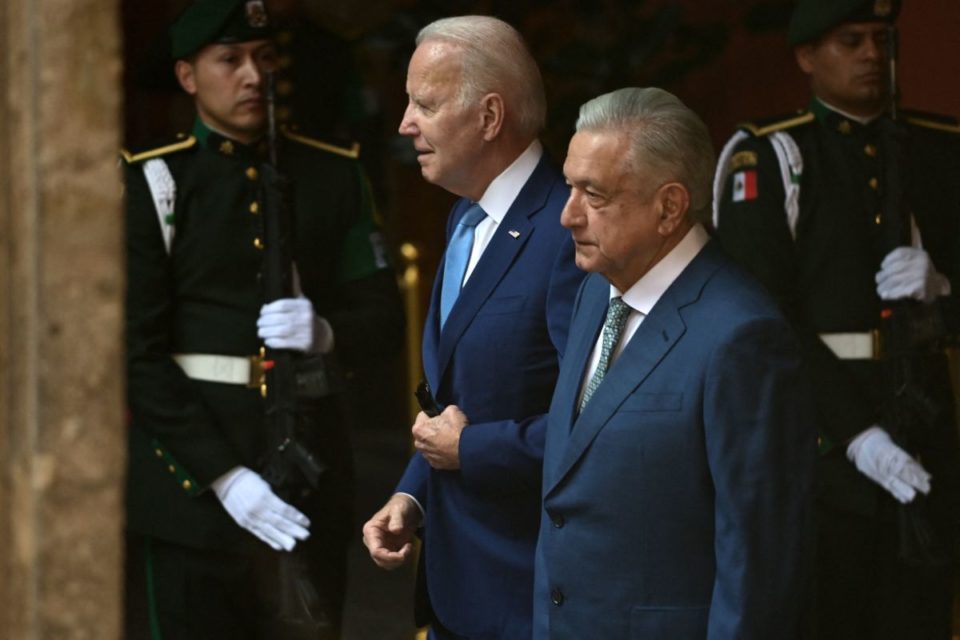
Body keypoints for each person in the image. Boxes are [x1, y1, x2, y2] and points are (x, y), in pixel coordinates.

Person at [121, 1, 404, 637]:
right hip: (189, 489)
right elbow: (134, 352)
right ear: (189, 76)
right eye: (230, 60)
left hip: (308, 474)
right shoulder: (156, 180)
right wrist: (223, 477)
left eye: (264, 56)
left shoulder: (332, 172)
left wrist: (327, 331)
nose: (253, 75)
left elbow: (383, 317)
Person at [713, 1, 960, 638]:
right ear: (805, 56)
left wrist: (945, 289)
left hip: (927, 424)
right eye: (851, 41)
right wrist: (855, 432)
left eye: (882, 39)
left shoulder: (940, 145)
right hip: (819, 444)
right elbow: (759, 317)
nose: (873, 55)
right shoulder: (774, 153)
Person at [532, 87, 815, 639]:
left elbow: (758, 562)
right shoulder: (597, 289)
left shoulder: (742, 336)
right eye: (570, 186)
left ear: (669, 207)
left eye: (594, 194)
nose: (568, 215)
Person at [360, 15, 585, 640]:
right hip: (456, 592)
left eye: (424, 104)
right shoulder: (465, 213)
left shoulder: (571, 230)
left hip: (530, 597)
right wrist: (412, 496)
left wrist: (473, 451)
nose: (405, 123)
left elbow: (598, 427)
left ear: (489, 117)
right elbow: (454, 404)